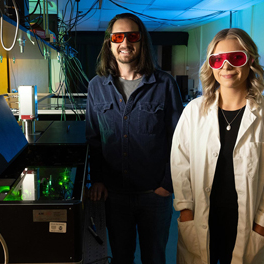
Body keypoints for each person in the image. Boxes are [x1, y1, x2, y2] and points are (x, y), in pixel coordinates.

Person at [171, 28, 264, 264]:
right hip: (200, 219)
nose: (225, 66)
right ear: (211, 66)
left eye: (236, 58)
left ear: (251, 61)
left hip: (247, 225)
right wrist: (185, 210)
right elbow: (180, 162)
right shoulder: (194, 111)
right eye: (217, 60)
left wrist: (263, 224)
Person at [85, 12, 183, 264]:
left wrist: (167, 184)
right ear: (109, 43)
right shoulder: (97, 85)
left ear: (142, 42)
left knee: (154, 257)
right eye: (118, 37)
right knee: (120, 257)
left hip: (154, 193)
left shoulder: (165, 84)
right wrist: (97, 180)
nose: (125, 43)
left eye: (132, 36)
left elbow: (178, 140)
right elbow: (94, 138)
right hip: (114, 194)